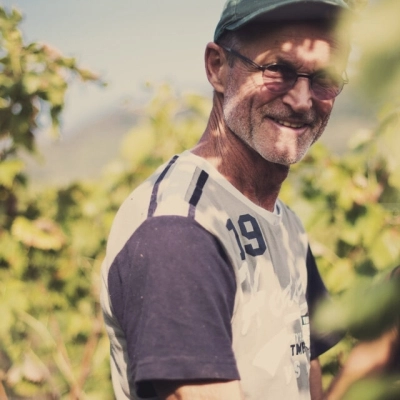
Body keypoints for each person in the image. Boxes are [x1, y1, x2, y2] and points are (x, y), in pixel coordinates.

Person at [100, 0, 352, 399]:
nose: (303, 100)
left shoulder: (286, 225)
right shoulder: (179, 230)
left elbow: (307, 386)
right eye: (278, 70)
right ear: (217, 67)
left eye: (325, 78)